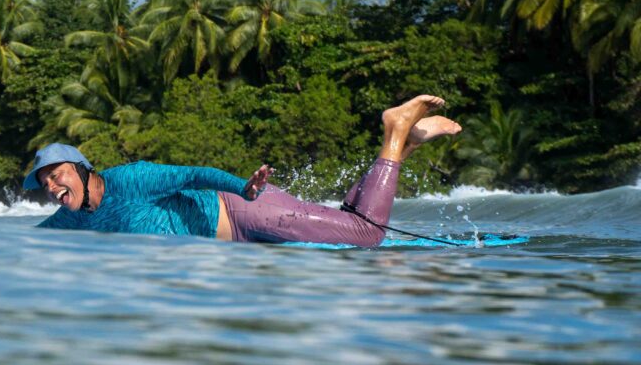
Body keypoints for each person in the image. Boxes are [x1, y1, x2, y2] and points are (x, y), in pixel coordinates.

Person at [25, 95, 461, 247]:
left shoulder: (129, 179)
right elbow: (29, 242)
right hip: (246, 237)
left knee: (366, 235)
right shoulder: (70, 218)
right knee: (348, 217)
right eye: (45, 183)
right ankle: (405, 146)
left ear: (82, 168)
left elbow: (194, 173)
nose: (52, 185)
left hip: (243, 212)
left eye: (57, 173)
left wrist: (244, 190)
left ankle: (396, 126)